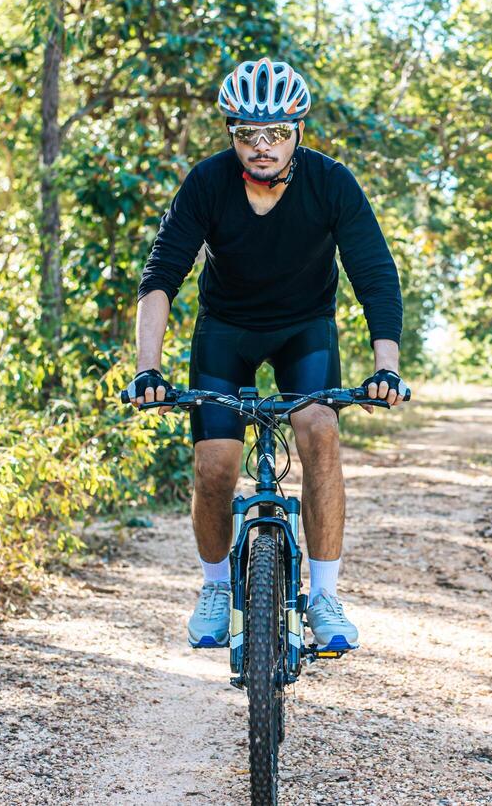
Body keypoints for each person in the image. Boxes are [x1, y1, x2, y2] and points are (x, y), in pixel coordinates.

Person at [127, 57, 407, 652]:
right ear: (232, 134)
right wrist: (146, 368)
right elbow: (161, 278)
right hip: (225, 331)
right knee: (216, 467)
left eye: (276, 134)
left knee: (319, 431)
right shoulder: (207, 183)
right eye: (249, 135)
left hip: (304, 329)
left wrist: (387, 368)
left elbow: (375, 276)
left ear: (297, 132)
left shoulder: (332, 184)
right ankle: (213, 588)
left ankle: (325, 597)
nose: (262, 147)